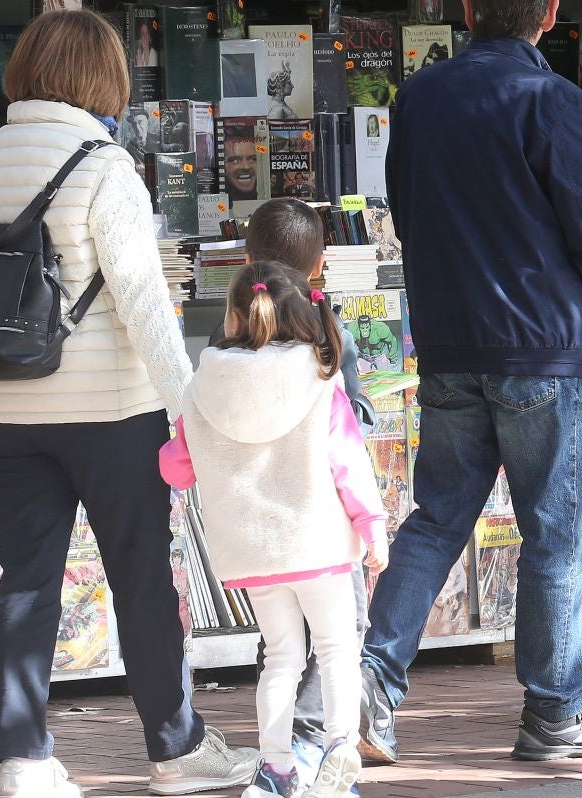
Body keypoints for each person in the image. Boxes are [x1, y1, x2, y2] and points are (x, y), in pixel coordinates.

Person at [0, 9, 258, 798]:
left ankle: (22, 762)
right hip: (108, 414)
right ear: (102, 79)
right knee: (141, 578)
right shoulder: (103, 164)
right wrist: (193, 410)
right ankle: (176, 749)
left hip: (1, 410)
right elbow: (145, 307)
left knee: (24, 581)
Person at [358, 0, 582, 763]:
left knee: (438, 517)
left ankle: (373, 681)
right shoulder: (553, 101)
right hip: (541, 350)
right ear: (550, 16)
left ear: (468, 9)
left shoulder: (420, 97)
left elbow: (405, 210)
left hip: (450, 343)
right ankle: (554, 712)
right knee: (554, 532)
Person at [160, 261, 387, 798]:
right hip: (320, 542)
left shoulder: (203, 386)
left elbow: (175, 468)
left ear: (234, 316)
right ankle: (338, 750)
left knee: (280, 656)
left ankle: (277, 766)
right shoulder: (319, 379)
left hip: (252, 550)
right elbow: (348, 465)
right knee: (336, 650)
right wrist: (373, 528)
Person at [242, 198, 377, 775]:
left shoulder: (231, 343)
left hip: (262, 530)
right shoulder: (326, 333)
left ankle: (280, 755)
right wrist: (371, 524)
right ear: (320, 265)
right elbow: (351, 433)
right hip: (321, 528)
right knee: (341, 636)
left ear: (245, 263)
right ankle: (319, 742)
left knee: (279, 648)